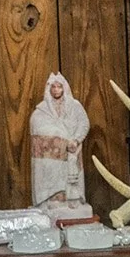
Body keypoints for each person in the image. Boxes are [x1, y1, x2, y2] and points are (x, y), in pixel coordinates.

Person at [28, 72, 92, 212]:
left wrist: (76, 140)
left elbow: (84, 123)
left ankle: (71, 199)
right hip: (50, 156)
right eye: (53, 87)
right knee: (50, 173)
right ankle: (51, 198)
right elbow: (37, 126)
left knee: (70, 177)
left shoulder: (74, 106)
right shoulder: (42, 110)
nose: (56, 90)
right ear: (49, 89)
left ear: (64, 88)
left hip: (71, 149)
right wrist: (58, 138)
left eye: (59, 87)